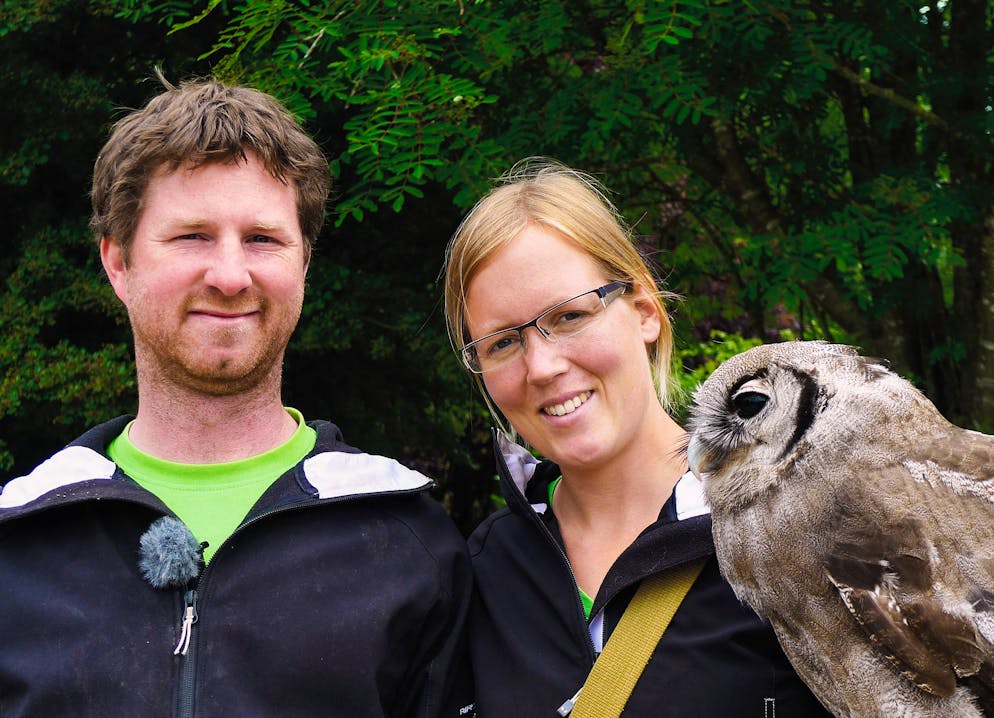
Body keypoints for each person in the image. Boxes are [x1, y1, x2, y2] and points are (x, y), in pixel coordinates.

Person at [0, 75, 473, 717]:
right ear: (117, 262)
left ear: (303, 264)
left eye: (262, 239)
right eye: (191, 236)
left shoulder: (410, 542)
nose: (229, 275)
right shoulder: (18, 545)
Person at [442, 158, 830, 716]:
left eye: (570, 316)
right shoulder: (478, 572)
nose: (543, 366)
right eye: (502, 343)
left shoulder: (796, 530)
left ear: (644, 311)